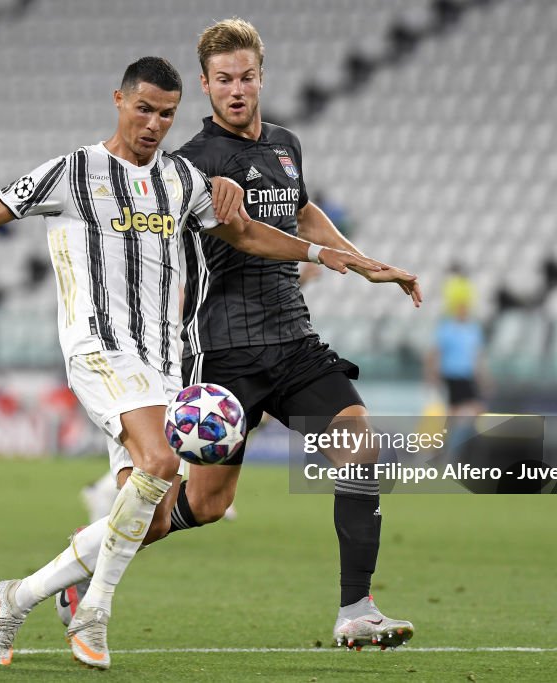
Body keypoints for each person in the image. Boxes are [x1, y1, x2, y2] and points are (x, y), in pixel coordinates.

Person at [0, 56, 385, 671]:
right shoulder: (75, 171)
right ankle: (95, 611)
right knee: (159, 461)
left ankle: (16, 597)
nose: (154, 123)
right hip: (98, 348)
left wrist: (326, 252)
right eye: (144, 109)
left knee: (152, 509)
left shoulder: (180, 181)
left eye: (165, 114)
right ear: (119, 101)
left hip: (163, 363)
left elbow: (246, 235)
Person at [59, 19, 422, 652]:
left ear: (261, 78)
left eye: (246, 77)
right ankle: (74, 577)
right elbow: (208, 233)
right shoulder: (193, 164)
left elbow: (301, 207)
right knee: (199, 505)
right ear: (204, 85)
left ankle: (356, 611)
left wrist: (361, 260)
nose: (236, 89)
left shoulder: (286, 143)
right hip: (222, 353)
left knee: (360, 451)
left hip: (295, 342)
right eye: (223, 79)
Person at [425, 264, 489, 416]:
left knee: (465, 410)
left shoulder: (474, 328)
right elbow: (435, 352)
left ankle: (452, 437)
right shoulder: (447, 328)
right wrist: (431, 374)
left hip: (467, 375)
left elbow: (477, 356)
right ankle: (450, 437)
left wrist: (483, 378)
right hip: (452, 375)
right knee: (464, 409)